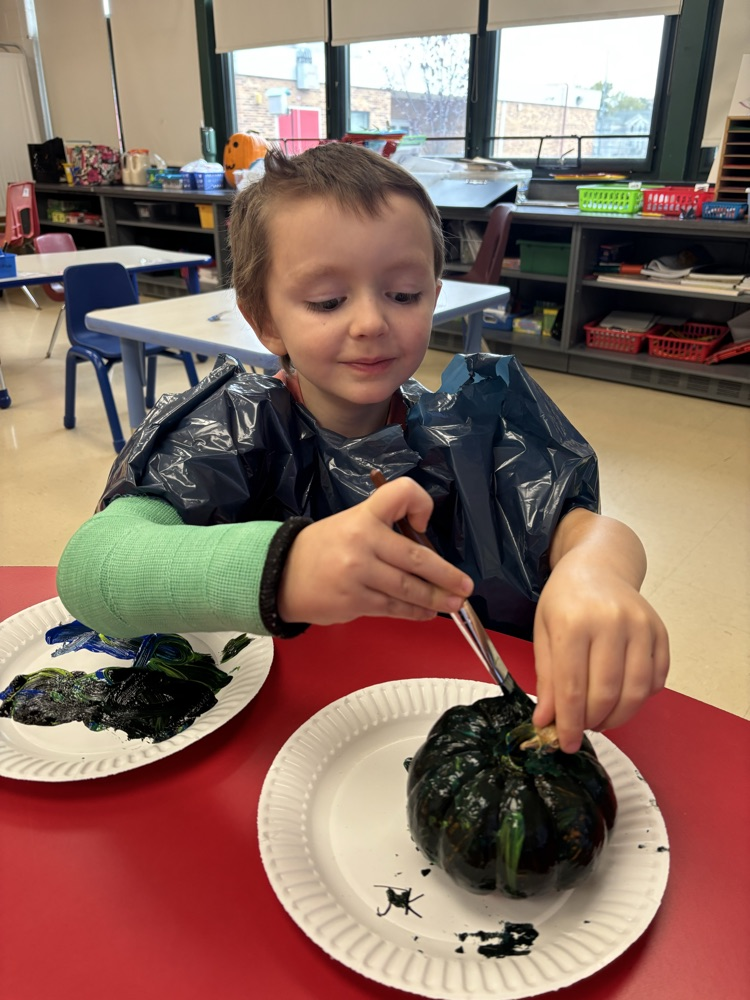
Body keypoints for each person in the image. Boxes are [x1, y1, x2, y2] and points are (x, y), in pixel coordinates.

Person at [57, 142, 669, 753]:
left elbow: (588, 529)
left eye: (403, 294)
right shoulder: (233, 430)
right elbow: (91, 569)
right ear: (264, 319)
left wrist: (594, 572)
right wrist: (287, 568)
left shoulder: (475, 432)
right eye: (327, 301)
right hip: (283, 739)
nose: (372, 322)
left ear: (434, 295)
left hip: (448, 726)